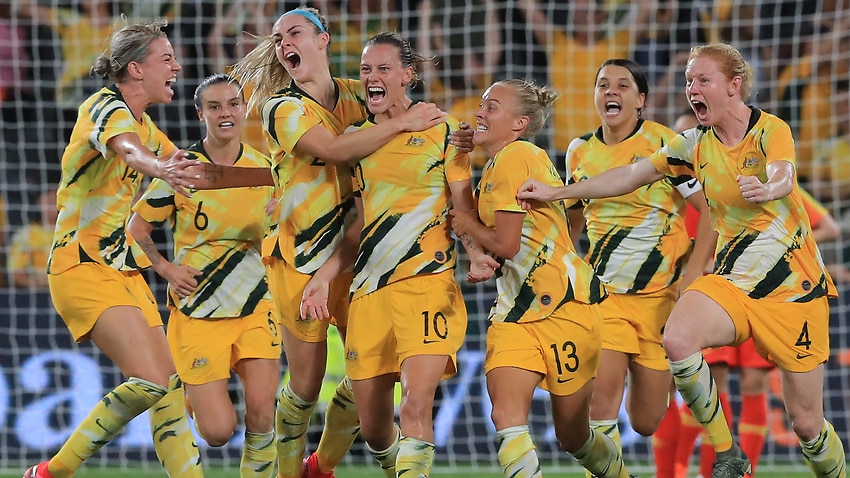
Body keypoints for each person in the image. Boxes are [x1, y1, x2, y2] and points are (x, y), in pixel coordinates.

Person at [517, 43, 847, 478]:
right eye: (689, 80)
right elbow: (629, 175)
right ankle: (728, 452)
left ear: (734, 85)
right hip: (731, 283)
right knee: (678, 338)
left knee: (806, 423)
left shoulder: (770, 130)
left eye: (703, 79)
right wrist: (557, 192)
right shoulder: (690, 144)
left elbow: (783, 173)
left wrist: (769, 188)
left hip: (793, 291)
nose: (692, 88)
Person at [186, 7, 471, 478]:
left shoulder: (357, 94)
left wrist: (453, 132)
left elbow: (396, 112)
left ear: (323, 40)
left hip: (361, 254)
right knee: (305, 385)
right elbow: (336, 150)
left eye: (294, 33)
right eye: (278, 38)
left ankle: (320, 466)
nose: (284, 44)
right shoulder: (281, 107)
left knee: (367, 378)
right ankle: (286, 472)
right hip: (300, 258)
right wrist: (406, 123)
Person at [297, 31, 496, 478]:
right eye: (366, 69)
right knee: (373, 430)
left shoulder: (443, 130)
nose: (372, 77)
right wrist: (324, 276)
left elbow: (461, 207)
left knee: (415, 404)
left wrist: (476, 253)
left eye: (383, 68)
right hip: (369, 293)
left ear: (407, 75)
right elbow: (359, 224)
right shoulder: (357, 140)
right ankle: (321, 466)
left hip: (427, 285)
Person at [27, 19, 202, 478]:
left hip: (123, 269)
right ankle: (52, 472)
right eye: (166, 59)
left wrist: (268, 179)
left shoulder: (146, 126)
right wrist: (159, 168)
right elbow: (129, 151)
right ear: (135, 69)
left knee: (169, 388)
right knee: (150, 380)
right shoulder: (103, 108)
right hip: (79, 265)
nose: (177, 67)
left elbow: (194, 170)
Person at [449, 78, 636, 478]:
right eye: (482, 104)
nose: (480, 112)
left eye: (492, 107)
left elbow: (506, 243)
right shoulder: (498, 163)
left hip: (565, 308)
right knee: (507, 418)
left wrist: (467, 225)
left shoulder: (516, 156)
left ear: (519, 123)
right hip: (515, 313)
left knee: (573, 436)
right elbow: (482, 228)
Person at [654, 110, 843, 478]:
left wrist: (780, 250)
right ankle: (692, 469)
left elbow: (825, 225)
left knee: (775, 399)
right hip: (716, 295)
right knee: (703, 377)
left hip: (776, 294)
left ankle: (740, 469)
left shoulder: (758, 174)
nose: (691, 149)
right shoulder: (680, 192)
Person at [562, 59, 716, 478]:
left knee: (647, 421)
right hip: (604, 297)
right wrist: (565, 266)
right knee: (601, 406)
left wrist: (692, 276)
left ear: (640, 100)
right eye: (602, 85)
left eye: (622, 85)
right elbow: (572, 222)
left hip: (661, 300)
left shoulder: (665, 143)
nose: (610, 92)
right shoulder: (579, 151)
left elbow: (709, 212)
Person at [127, 74, 280, 477]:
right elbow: (136, 228)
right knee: (217, 432)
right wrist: (165, 268)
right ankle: (187, 396)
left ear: (244, 109)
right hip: (198, 308)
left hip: (257, 303)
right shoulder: (182, 169)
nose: (225, 113)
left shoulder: (267, 170)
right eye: (214, 106)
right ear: (200, 114)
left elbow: (287, 232)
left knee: (263, 413)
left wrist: (283, 220)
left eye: (233, 104)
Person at [8, 188, 57, 288]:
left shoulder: (74, 232)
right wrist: (40, 285)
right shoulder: (26, 234)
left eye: (55, 200)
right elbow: (15, 273)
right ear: (40, 202)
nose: (52, 204)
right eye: (49, 200)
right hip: (37, 292)